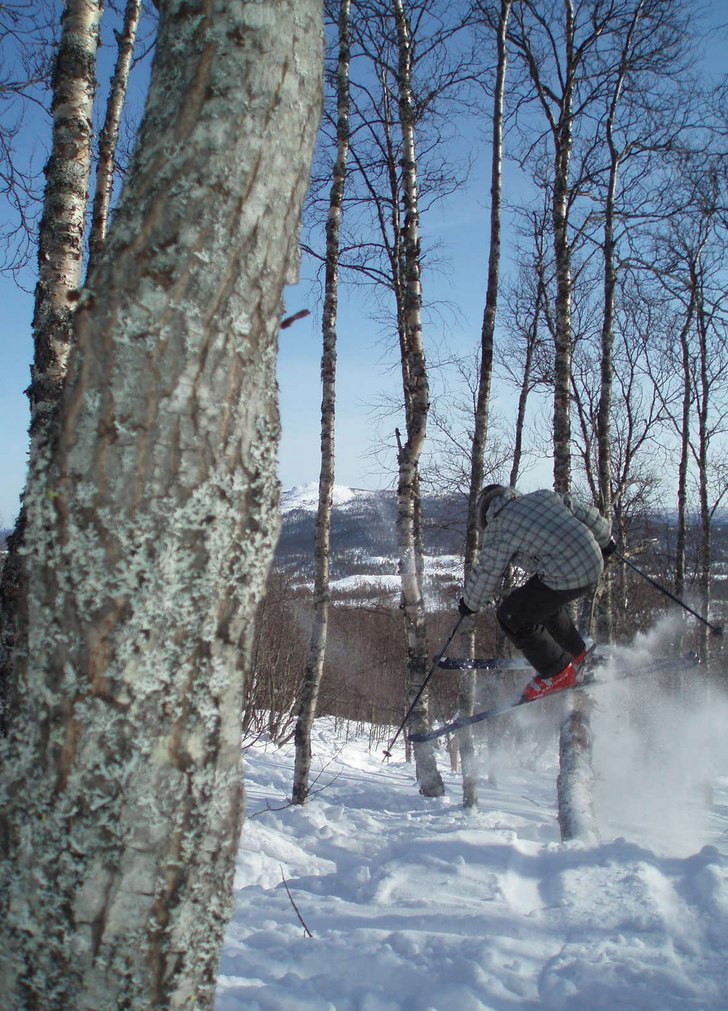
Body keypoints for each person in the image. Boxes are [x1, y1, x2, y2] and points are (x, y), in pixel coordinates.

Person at [458, 484, 615, 702]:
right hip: (593, 561)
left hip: (568, 572)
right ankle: (578, 655)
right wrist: (606, 542)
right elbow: (585, 513)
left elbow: (488, 570)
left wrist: (469, 603)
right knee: (541, 601)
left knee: (511, 615)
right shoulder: (543, 496)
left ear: (485, 515)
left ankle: (557, 672)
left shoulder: (499, 527)